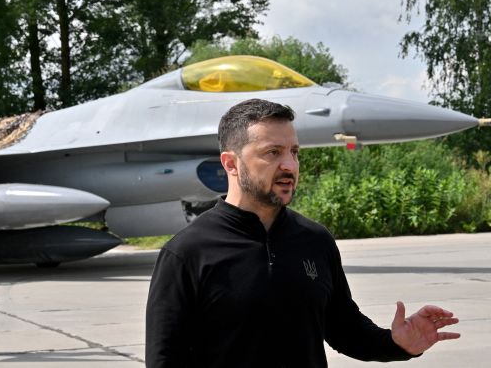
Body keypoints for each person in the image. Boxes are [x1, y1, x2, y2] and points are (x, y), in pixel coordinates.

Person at [145, 99, 460, 368]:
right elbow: (165, 360)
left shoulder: (315, 240)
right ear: (231, 163)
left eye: (294, 152)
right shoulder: (187, 252)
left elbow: (344, 329)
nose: (290, 165)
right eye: (273, 153)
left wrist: (397, 343)